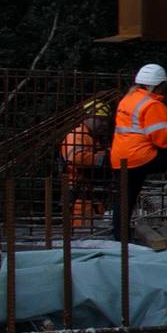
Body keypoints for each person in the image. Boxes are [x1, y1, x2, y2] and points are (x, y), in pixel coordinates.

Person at [111, 63, 167, 242]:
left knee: (125, 198)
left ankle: (120, 237)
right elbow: (161, 137)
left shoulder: (128, 99)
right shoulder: (153, 105)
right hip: (141, 156)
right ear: (159, 85)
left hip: (120, 157)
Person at [59, 98, 111, 233]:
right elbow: (74, 157)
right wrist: (103, 158)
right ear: (88, 117)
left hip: (90, 191)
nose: (104, 124)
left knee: (92, 229)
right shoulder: (76, 135)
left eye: (105, 120)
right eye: (101, 119)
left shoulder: (93, 137)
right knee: (81, 232)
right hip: (78, 192)